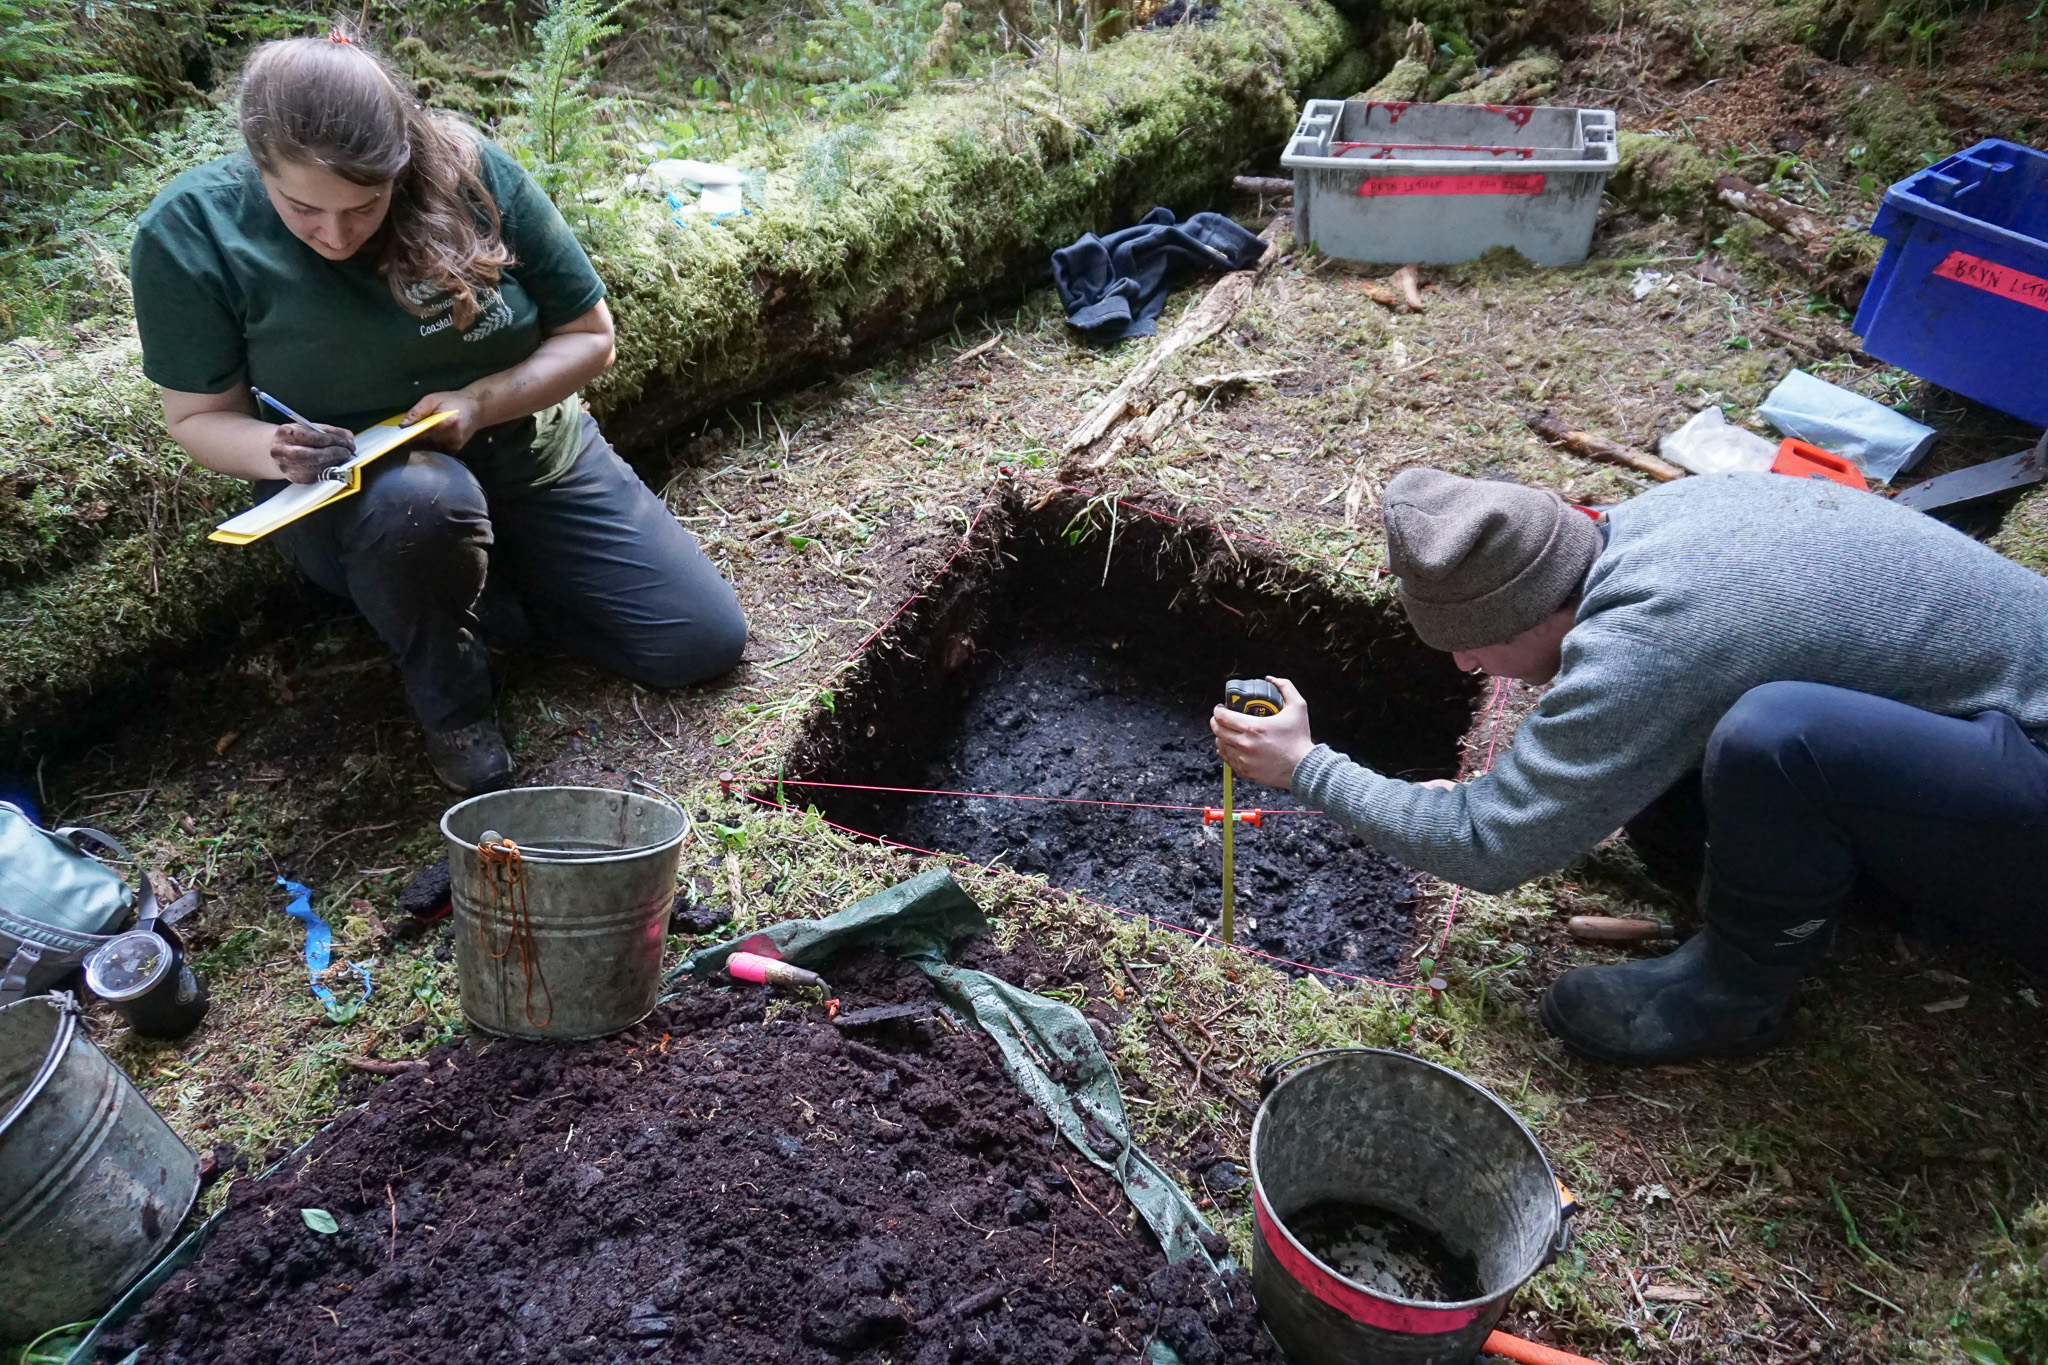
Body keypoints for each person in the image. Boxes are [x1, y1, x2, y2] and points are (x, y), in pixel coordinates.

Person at [1212, 465, 2048, 1066]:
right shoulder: (1654, 521)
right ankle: (1831, 894)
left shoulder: (1649, 642)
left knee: (1775, 735)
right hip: (1973, 739)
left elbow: (1489, 848)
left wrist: (1308, 768)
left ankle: (1735, 990)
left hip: (2030, 781)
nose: (1467, 667)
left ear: (1529, 608)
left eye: (1471, 643)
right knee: (1691, 775)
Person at [128, 32, 746, 794]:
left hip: (525, 452)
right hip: (366, 501)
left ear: (399, 165)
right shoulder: (192, 231)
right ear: (258, 165)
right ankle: (452, 698)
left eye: (364, 205)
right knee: (423, 503)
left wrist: (480, 401)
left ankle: (492, 599)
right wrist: (276, 449)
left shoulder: (470, 172)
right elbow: (197, 419)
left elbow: (590, 337)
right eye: (303, 209)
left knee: (702, 643)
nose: (335, 234)